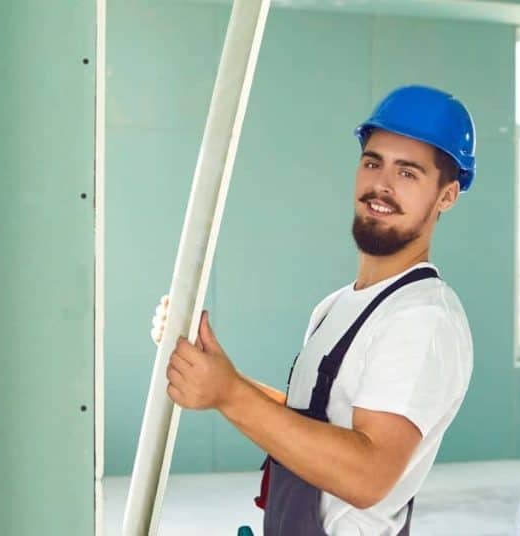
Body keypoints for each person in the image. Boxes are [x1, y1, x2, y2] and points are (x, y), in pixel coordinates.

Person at [150, 85, 476, 535]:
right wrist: (214, 372)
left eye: (407, 172)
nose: (381, 185)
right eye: (373, 163)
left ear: (447, 196)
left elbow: (368, 474)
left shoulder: (422, 319)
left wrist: (229, 394)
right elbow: (313, 419)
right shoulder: (337, 306)